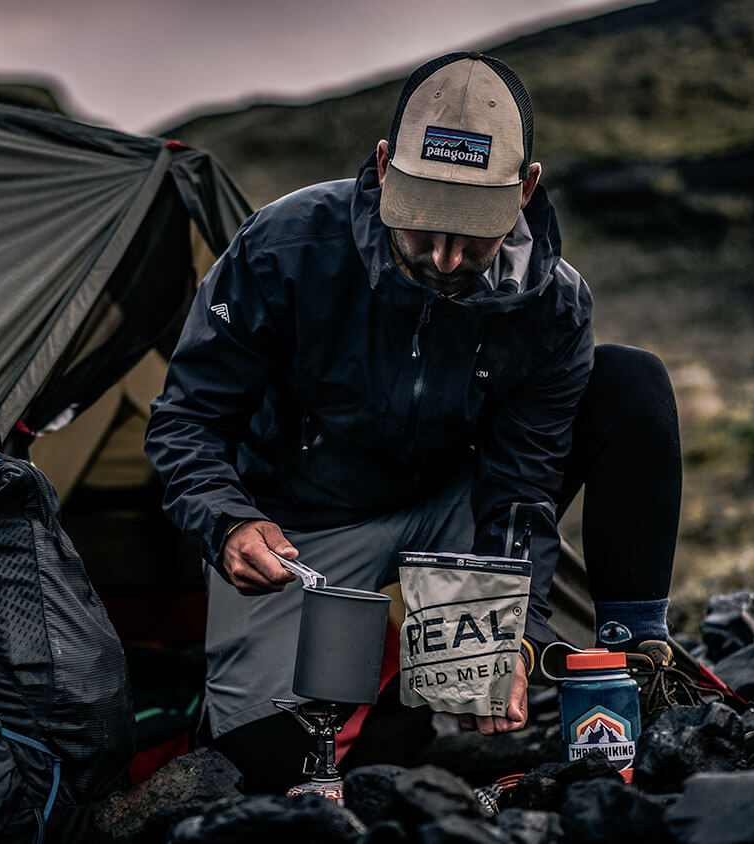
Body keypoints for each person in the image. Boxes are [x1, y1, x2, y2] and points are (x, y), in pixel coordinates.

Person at [144, 51, 687, 793]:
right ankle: (374, 729)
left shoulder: (554, 304)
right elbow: (186, 420)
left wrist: (514, 626)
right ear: (383, 167)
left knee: (629, 382)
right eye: (422, 225)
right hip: (301, 528)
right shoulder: (285, 247)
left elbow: (521, 480)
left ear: (524, 190)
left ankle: (632, 658)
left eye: (473, 233)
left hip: (452, 513)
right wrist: (229, 522)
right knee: (259, 776)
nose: (442, 256)